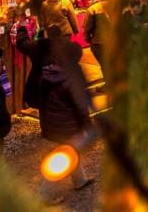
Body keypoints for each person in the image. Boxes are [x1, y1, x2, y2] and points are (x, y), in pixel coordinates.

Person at [17, 25, 94, 200]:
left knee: (69, 150)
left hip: (52, 122)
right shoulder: (70, 78)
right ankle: (44, 195)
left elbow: (23, 44)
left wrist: (21, 30)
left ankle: (80, 180)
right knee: (62, 157)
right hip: (67, 124)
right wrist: (87, 126)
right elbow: (80, 107)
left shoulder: (47, 71)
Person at [83, 0, 109, 68]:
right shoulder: (115, 5)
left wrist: (88, 39)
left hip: (99, 41)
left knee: (104, 65)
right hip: (115, 39)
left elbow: (87, 27)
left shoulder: (92, 9)